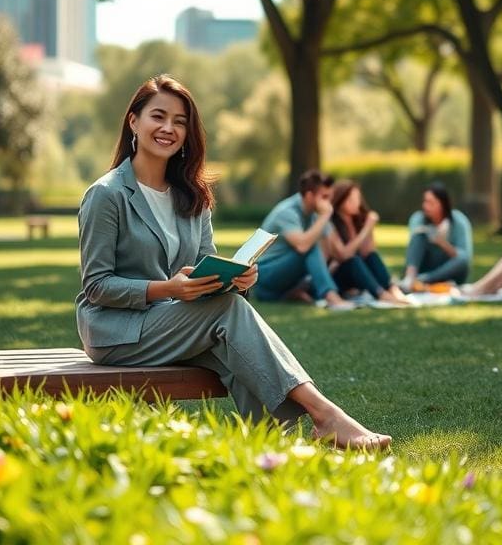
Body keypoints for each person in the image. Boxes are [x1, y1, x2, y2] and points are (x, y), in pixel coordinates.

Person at [77, 74, 389, 450]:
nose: (168, 128)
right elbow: (96, 287)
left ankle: (274, 449)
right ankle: (326, 416)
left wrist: (237, 277)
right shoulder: (106, 195)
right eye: (158, 116)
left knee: (236, 347)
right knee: (227, 314)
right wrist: (169, 288)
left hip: (176, 321)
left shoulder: (191, 196)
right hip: (117, 333)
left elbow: (204, 264)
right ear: (134, 121)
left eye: (180, 122)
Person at [254, 170, 353, 309]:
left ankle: (379, 291)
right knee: (309, 246)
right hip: (264, 276)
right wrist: (325, 216)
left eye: (330, 197)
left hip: (286, 277)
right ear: (309, 195)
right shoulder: (287, 212)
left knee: (331, 255)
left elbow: (338, 252)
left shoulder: (314, 214)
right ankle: (332, 298)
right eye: (324, 197)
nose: (328, 203)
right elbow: (303, 247)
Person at [327, 180, 410, 305]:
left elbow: (369, 252)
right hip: (337, 277)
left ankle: (393, 289)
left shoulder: (358, 220)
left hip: (357, 277)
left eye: (358, 198)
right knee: (353, 261)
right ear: (341, 201)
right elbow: (344, 255)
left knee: (372, 256)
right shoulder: (330, 224)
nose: (357, 203)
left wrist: (369, 228)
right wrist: (366, 229)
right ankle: (381, 294)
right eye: (352, 199)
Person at [400, 182, 473, 291]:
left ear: (443, 204)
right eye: (424, 201)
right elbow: (413, 251)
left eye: (431, 203)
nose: (425, 206)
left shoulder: (459, 221)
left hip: (448, 270)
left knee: (462, 260)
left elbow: (464, 257)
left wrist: (443, 243)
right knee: (418, 236)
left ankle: (423, 280)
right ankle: (409, 279)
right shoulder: (417, 219)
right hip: (425, 266)